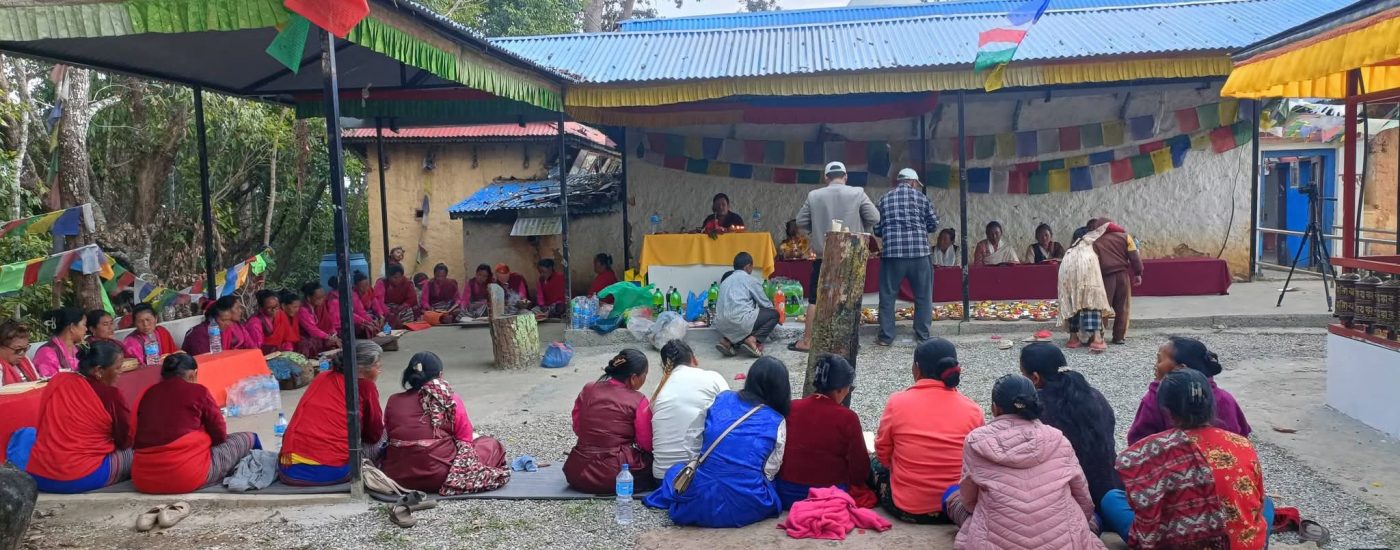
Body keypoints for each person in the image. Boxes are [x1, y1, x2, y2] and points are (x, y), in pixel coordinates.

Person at [1102, 369, 1273, 550]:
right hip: (1240, 545)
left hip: (1174, 544)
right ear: (1211, 404)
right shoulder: (1241, 444)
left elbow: (1143, 512)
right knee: (1268, 505)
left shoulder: (1149, 450)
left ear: (1167, 410)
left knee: (1111, 498)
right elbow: (1259, 502)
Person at [946, 374, 1105, 550]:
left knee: (952, 496)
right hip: (1063, 542)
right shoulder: (1058, 439)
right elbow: (1083, 499)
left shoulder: (976, 442)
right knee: (1092, 519)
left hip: (995, 539)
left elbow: (969, 502)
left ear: (995, 408)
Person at [644, 357, 789, 527]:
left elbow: (693, 438)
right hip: (748, 505)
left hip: (700, 501)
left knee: (675, 472)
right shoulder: (777, 420)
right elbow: (770, 470)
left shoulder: (723, 398)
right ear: (782, 389)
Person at [873, 338, 984, 523]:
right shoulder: (974, 410)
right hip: (955, 509)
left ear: (916, 368)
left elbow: (883, 453)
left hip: (908, 507)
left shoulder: (897, 402)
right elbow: (978, 461)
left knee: (873, 463)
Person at [382, 352, 510, 495]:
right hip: (441, 476)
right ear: (440, 375)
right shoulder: (450, 399)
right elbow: (465, 439)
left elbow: (389, 433)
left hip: (398, 477)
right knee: (492, 446)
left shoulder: (393, 401)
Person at [132, 354, 260, 494]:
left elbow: (132, 433)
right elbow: (219, 434)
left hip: (143, 479)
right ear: (192, 374)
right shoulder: (198, 391)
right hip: (186, 477)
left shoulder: (147, 392)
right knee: (248, 438)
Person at [1019, 343, 1122, 507]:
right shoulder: (1094, 395)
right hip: (1110, 489)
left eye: (1022, 374)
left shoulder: (1038, 408)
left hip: (1072, 498)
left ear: (1035, 378)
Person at [792, 162, 880, 352]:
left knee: (816, 299)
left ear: (826, 178)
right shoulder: (857, 192)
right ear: (845, 176)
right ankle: (847, 343)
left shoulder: (814, 196)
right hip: (850, 256)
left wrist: (815, 231)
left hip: (823, 256)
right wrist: (859, 227)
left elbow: (800, 222)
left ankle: (807, 341)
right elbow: (874, 217)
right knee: (850, 298)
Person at [26, 341, 133, 493]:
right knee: (140, 453)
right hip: (79, 476)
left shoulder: (58, 380)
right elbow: (125, 440)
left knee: (26, 435)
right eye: (117, 368)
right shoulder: (111, 395)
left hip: (40, 475)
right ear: (98, 371)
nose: (120, 371)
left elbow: (42, 424)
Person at [279, 341, 386, 486]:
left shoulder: (322, 377)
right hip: (331, 471)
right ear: (362, 369)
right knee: (385, 436)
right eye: (377, 367)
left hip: (288, 470)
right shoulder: (365, 386)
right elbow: (373, 435)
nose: (379, 371)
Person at [776, 354, 874, 509]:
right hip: (829, 493)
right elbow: (860, 469)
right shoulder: (847, 418)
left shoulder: (791, 407)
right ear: (841, 389)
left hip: (787, 492)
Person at [564, 349, 656, 494]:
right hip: (616, 475)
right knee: (657, 465)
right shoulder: (639, 400)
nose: (645, 379)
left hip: (578, 472)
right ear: (633, 378)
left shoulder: (588, 389)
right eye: (645, 375)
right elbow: (646, 443)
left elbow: (578, 427)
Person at [1127, 336, 1251, 445]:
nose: (1156, 365)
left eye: (1159, 360)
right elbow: (1241, 436)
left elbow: (1138, 443)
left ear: (1181, 369)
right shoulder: (1225, 398)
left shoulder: (1156, 400)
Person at [874, 168, 939, 347]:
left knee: (888, 296)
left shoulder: (884, 199)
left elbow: (877, 230)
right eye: (916, 184)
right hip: (919, 255)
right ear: (912, 182)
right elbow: (933, 225)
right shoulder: (922, 199)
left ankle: (886, 337)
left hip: (892, 256)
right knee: (923, 296)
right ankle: (923, 335)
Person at [649, 340, 728, 479]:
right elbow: (731, 417)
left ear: (664, 366)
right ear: (694, 358)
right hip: (697, 476)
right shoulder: (712, 378)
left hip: (661, 478)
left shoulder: (658, 389)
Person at [1058, 225, 1113, 353]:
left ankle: (1073, 338)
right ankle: (1097, 339)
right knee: (1092, 304)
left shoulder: (1069, 252)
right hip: (1089, 280)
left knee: (1072, 305)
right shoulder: (1089, 248)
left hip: (1069, 282)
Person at [1088, 218, 1143, 344]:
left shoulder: (1094, 241)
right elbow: (1135, 257)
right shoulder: (1126, 237)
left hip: (1104, 278)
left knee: (1101, 307)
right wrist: (1138, 273)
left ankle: (1098, 336)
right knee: (1123, 307)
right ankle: (1119, 336)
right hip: (1123, 277)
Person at [713, 252, 778, 358]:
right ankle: (753, 340)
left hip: (720, 324)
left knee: (743, 320)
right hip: (740, 321)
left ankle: (727, 341)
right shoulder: (750, 280)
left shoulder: (725, 281)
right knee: (774, 314)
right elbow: (766, 305)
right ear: (748, 267)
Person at [183, 296, 253, 355]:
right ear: (224, 312)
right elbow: (207, 360)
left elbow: (251, 347)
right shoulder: (199, 334)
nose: (241, 311)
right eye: (237, 308)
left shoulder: (236, 327)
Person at [33, 307, 86, 378]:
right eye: (84, 325)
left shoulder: (77, 349)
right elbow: (51, 383)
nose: (86, 329)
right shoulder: (47, 352)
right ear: (72, 327)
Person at [295, 281, 342, 357]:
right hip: (307, 340)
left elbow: (329, 323)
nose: (322, 299)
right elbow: (312, 330)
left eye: (323, 296)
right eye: (319, 298)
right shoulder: (302, 310)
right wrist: (329, 337)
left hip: (321, 337)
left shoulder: (320, 307)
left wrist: (333, 334)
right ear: (309, 298)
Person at [246, 290, 298, 355]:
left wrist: (287, 351)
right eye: (269, 308)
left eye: (276, 306)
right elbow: (256, 348)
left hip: (281, 353)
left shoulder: (281, 314)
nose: (274, 310)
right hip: (264, 355)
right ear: (261, 307)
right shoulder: (254, 323)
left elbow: (287, 338)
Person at [0, 320, 40, 384]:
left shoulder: (25, 360)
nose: (22, 353)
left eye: (25, 349)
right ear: (1, 347)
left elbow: (38, 382)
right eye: (18, 349)